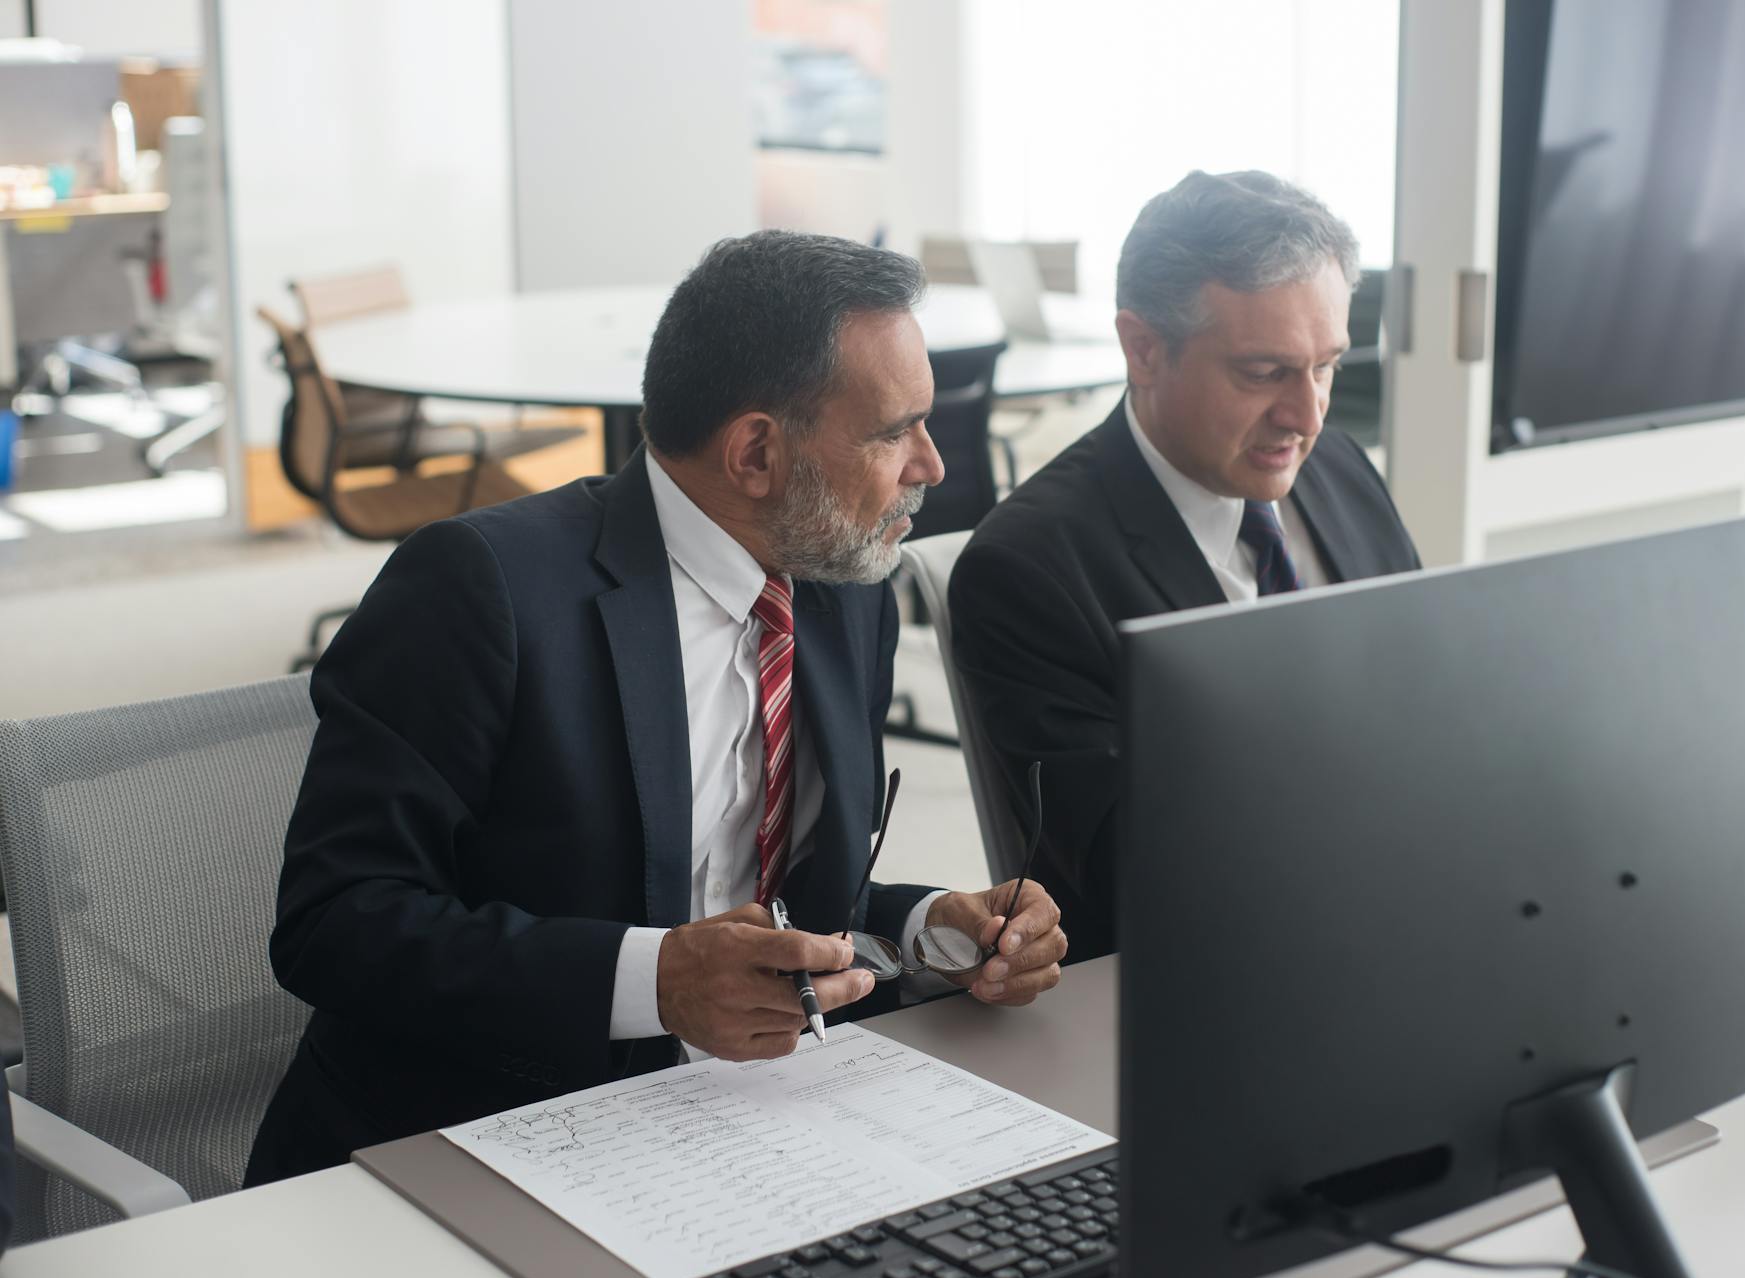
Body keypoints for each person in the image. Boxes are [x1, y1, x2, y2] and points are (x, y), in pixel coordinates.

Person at [246, 231, 1069, 1185]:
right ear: (756, 451)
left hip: (742, 1121)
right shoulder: (481, 590)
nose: (930, 464)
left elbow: (770, 895)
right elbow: (336, 923)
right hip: (482, 1136)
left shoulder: (847, 583)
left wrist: (934, 928)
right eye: (894, 431)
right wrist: (657, 985)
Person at [948, 171, 1421, 960]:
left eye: (1327, 366)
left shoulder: (1339, 471)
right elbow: (1139, 876)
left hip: (1408, 924)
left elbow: (1429, 703)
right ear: (1143, 349)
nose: (1306, 417)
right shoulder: (1030, 570)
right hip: (1225, 976)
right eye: (1263, 372)